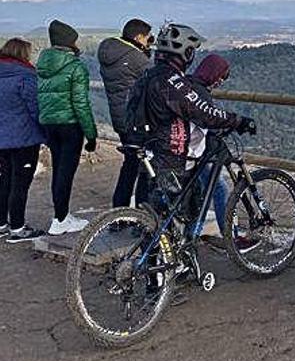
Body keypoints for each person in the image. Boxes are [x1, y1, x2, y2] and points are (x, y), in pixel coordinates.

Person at [131, 23, 255, 201]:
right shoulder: (171, 81)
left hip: (150, 151)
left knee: (153, 213)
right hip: (171, 158)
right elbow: (202, 112)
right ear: (186, 53)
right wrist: (238, 121)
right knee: (189, 208)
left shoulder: (148, 76)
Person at [187, 54, 254, 251]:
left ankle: (189, 238)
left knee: (198, 194)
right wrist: (236, 122)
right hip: (193, 152)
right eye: (220, 77)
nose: (219, 82)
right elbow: (207, 118)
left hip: (183, 151)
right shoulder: (200, 93)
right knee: (219, 189)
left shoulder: (188, 85)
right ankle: (230, 238)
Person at [36, 20, 97, 236]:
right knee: (66, 173)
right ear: (70, 42)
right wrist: (91, 134)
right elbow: (81, 103)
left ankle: (60, 215)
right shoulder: (75, 66)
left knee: (58, 171)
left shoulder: (42, 65)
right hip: (70, 126)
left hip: (49, 124)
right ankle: (61, 219)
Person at [98, 18, 153, 208]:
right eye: (147, 39)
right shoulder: (136, 58)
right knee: (145, 168)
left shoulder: (110, 54)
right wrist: (146, 55)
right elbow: (154, 80)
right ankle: (142, 212)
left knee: (130, 165)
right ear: (138, 37)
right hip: (137, 121)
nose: (148, 42)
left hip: (120, 120)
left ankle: (119, 210)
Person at [0, 39, 47, 243]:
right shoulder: (25, 76)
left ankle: (1, 224)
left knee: (3, 181)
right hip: (24, 138)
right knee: (20, 184)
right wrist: (46, 131)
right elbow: (35, 108)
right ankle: (18, 228)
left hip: (1, 140)